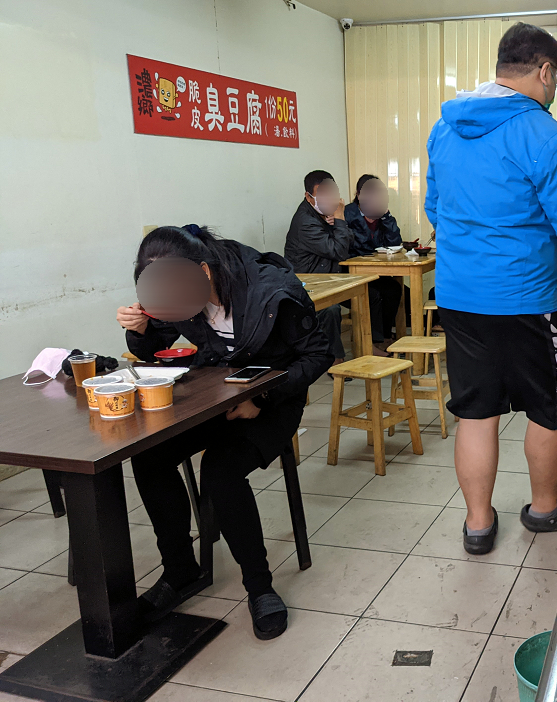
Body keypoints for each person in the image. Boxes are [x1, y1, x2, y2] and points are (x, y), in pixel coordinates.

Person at [424, 22, 557, 554]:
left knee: (476, 411)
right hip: (529, 302)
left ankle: (478, 525)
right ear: (545, 70)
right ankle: (545, 508)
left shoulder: (444, 129)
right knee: (551, 406)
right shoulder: (548, 136)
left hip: (458, 299)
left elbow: (435, 210)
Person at [116, 225, 333, 640]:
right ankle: (179, 570)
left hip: (274, 400)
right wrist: (138, 330)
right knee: (148, 454)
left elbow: (319, 354)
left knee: (220, 470)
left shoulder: (273, 291)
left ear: (203, 271)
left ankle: (259, 587)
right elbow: (154, 347)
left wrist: (262, 400)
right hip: (217, 395)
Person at [284, 170, 352, 364]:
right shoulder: (305, 221)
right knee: (330, 309)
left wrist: (337, 223)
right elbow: (339, 251)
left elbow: (349, 241)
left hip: (328, 278)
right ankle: (334, 360)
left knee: (373, 293)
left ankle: (372, 345)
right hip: (307, 284)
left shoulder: (323, 213)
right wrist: (339, 220)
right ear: (309, 196)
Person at [344, 174, 405, 354]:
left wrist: (386, 217)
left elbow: (395, 242)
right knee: (374, 294)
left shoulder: (381, 215)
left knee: (394, 289)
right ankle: (374, 342)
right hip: (350, 273)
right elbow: (355, 245)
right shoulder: (348, 214)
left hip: (374, 272)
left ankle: (386, 336)